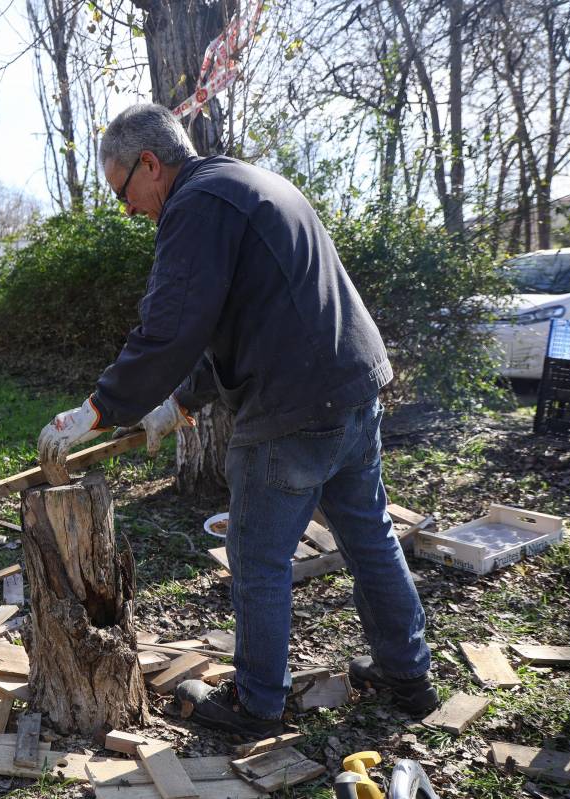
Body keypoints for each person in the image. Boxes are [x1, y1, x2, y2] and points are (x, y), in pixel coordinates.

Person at [37, 104, 437, 739]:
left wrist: (98, 409)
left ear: (149, 163)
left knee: (256, 559)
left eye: (124, 193)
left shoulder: (195, 209)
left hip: (293, 409)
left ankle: (257, 704)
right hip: (353, 390)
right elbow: (243, 316)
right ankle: (407, 676)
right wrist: (184, 402)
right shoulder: (246, 184)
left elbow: (170, 328)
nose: (128, 210)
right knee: (371, 538)